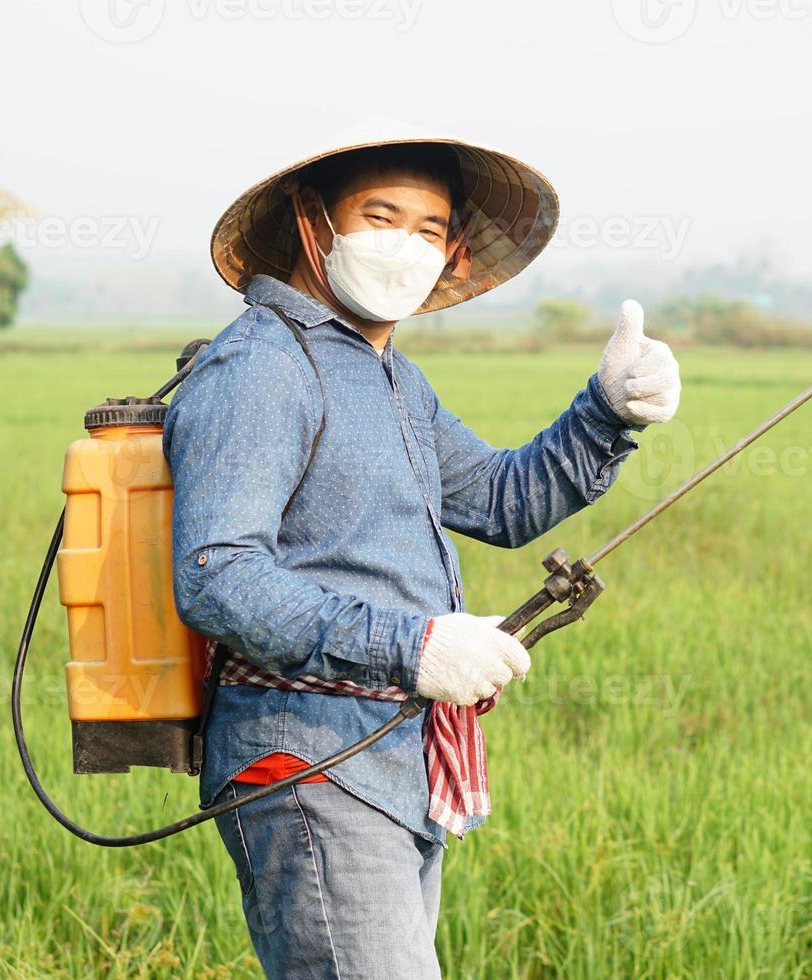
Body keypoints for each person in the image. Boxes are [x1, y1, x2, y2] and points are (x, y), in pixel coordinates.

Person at [163, 121, 682, 979]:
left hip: (392, 754)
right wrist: (415, 644)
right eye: (380, 215)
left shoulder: (390, 376)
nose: (405, 245)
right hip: (308, 764)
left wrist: (606, 411)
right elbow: (218, 575)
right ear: (311, 220)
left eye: (430, 230)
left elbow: (501, 500)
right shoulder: (263, 367)